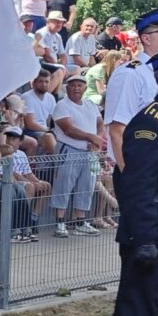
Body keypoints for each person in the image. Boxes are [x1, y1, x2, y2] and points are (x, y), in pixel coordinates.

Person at [111, 82, 158, 316]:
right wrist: (144, 237)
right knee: (139, 312)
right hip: (148, 233)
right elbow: (137, 184)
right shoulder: (150, 124)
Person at [50, 70, 105, 237]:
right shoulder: (62, 105)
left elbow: (100, 125)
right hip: (69, 150)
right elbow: (68, 129)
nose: (76, 88)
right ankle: (60, 223)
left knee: (86, 186)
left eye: (79, 85)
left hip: (88, 152)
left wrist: (97, 140)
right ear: (67, 88)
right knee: (63, 185)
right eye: (73, 85)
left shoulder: (90, 104)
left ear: (85, 88)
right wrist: (91, 137)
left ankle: (81, 221)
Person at [106, 10, 158, 175]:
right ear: (146, 38)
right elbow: (117, 130)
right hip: (140, 172)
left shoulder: (152, 72)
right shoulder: (130, 73)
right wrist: (130, 178)